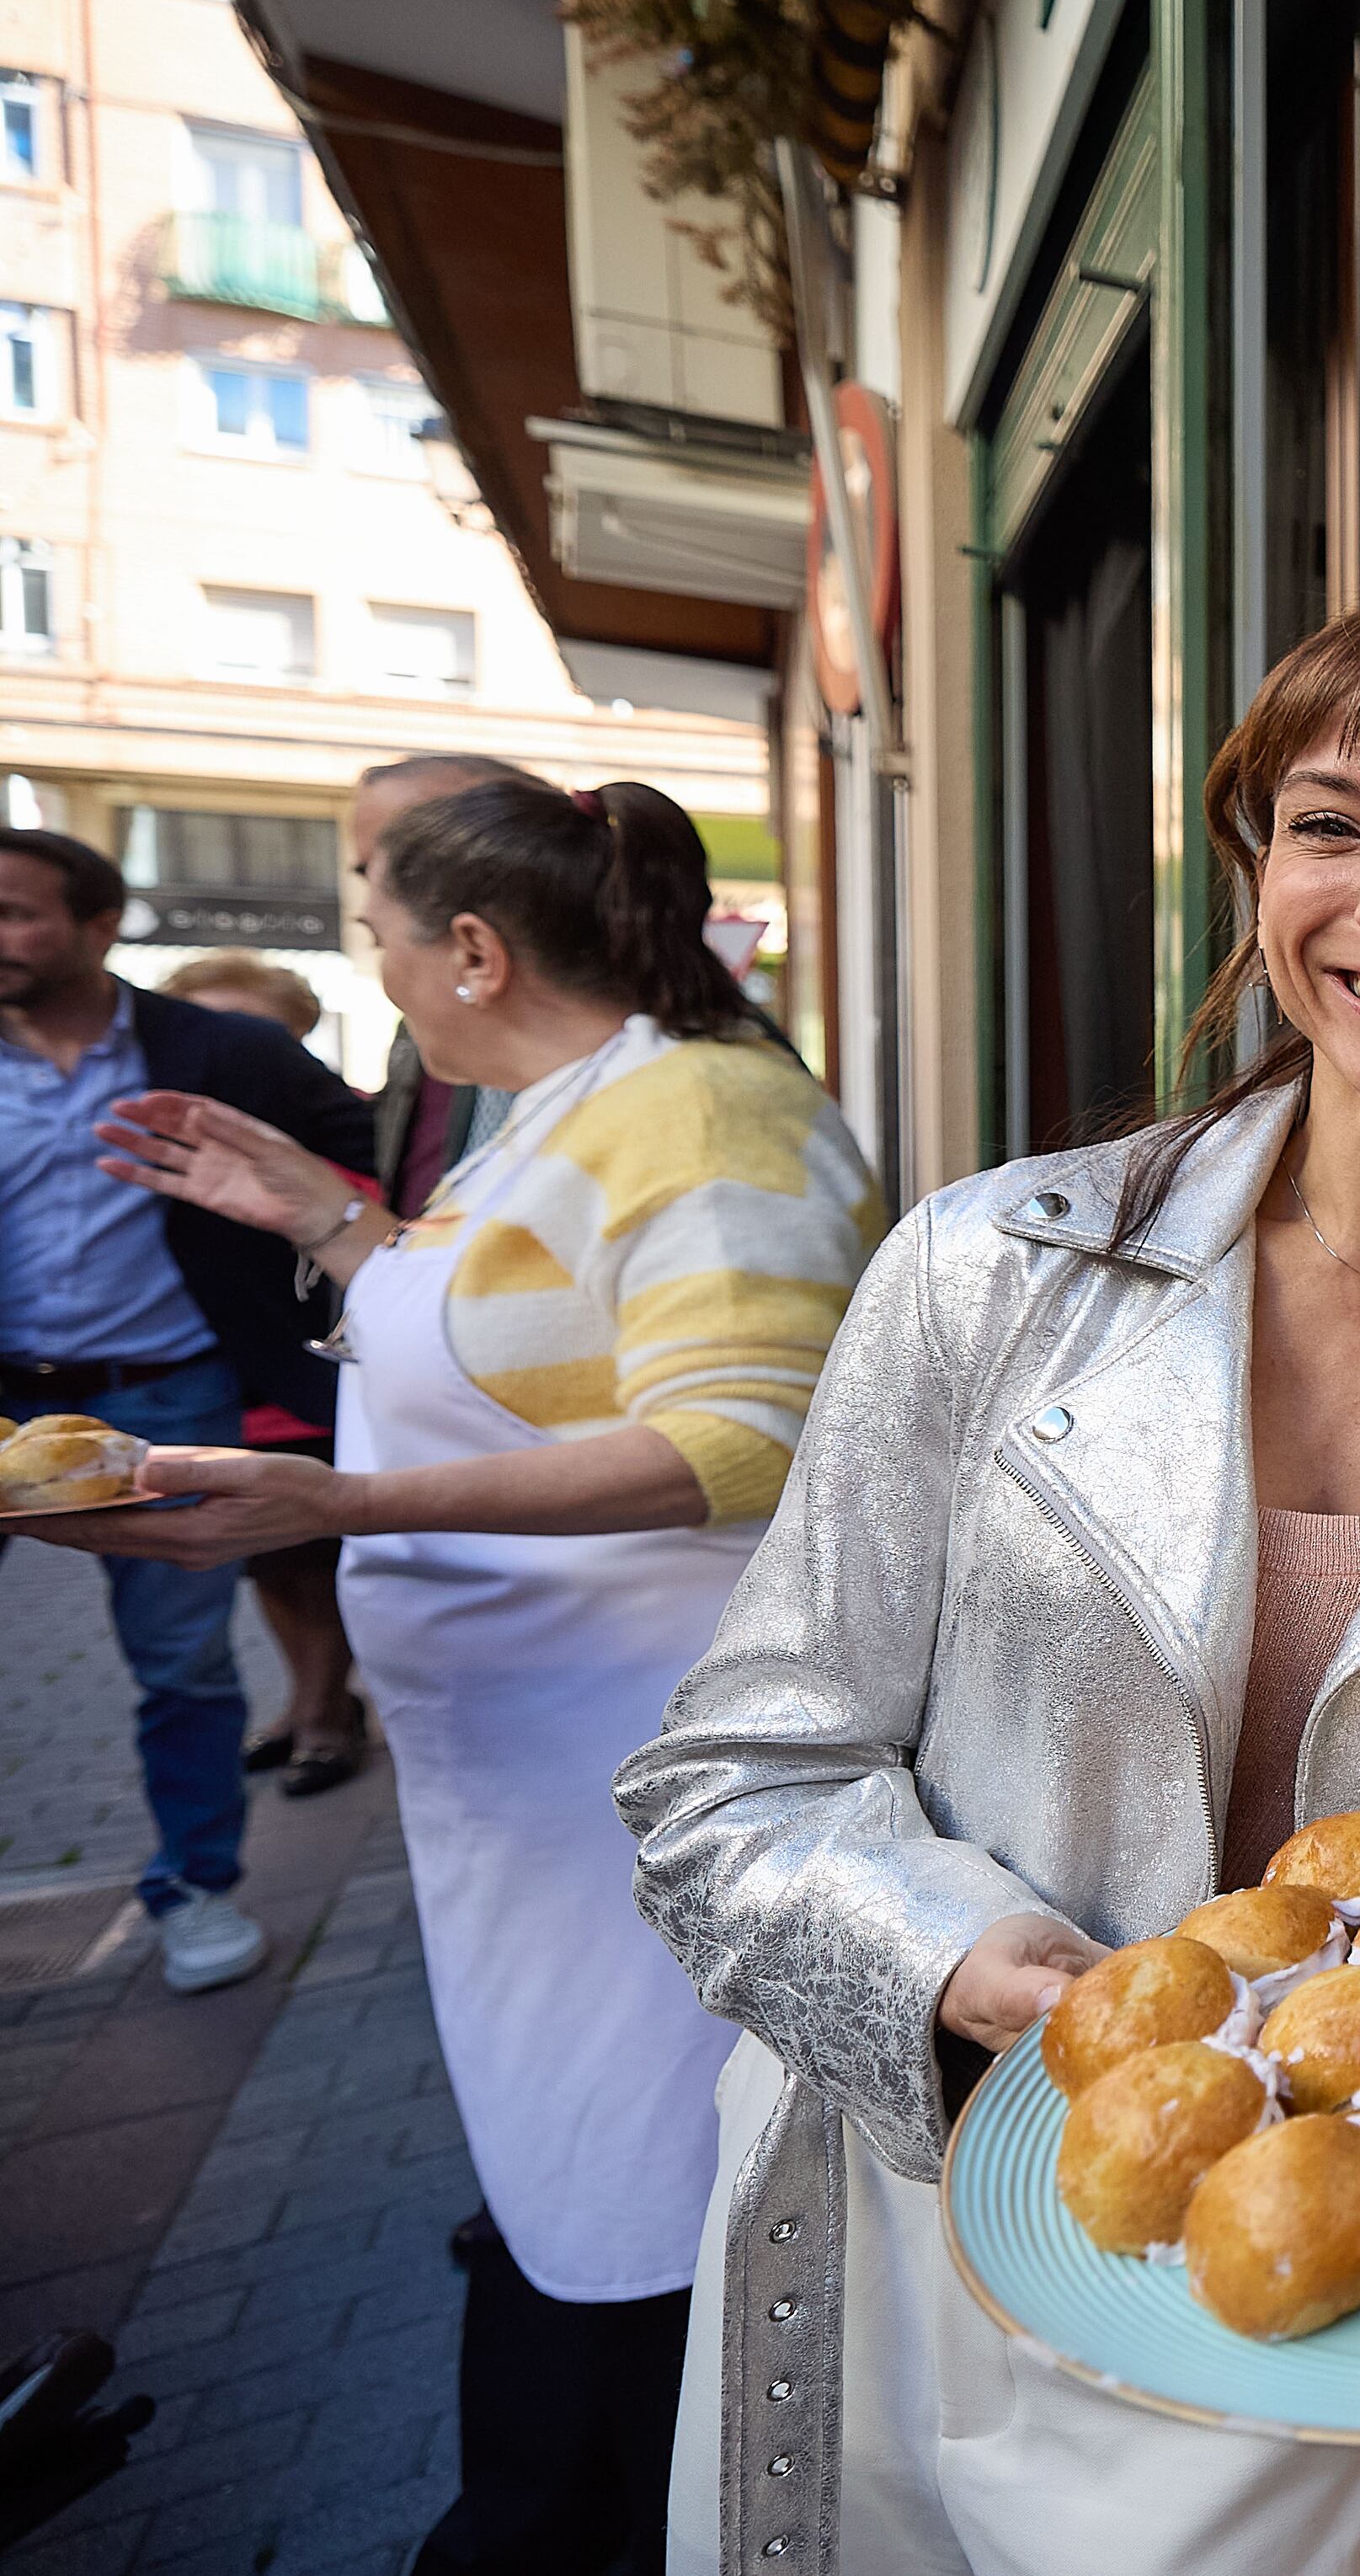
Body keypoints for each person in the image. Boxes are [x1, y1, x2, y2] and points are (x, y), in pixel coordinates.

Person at [616, 603, 1360, 2576]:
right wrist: (943, 1956)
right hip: (946, 2276)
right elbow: (725, 1786)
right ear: (1261, 885)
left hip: (1354, 2330)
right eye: (1332, 827)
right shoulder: (988, 1279)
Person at [40, 778, 880, 2573]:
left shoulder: (707, 1106)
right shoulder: (550, 1112)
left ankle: (624, 2510)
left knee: (649, 2184)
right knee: (574, 2172)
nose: (388, 971)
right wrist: (327, 1220)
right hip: (523, 1797)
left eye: (386, 935)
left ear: (479, 950)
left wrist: (342, 1496)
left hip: (653, 1784)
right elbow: (526, 1330)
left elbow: (747, 1438)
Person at [0, 830, 371, 1990]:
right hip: (9, 1394)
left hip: (167, 1395)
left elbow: (371, 1161)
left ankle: (195, 1889)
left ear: (101, 924)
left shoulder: (223, 1051)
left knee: (185, 1666)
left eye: (17, 913)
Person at [156, 949, 371, 1795]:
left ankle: (325, 1708)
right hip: (208, 1371)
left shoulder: (335, 1128)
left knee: (313, 1550)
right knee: (265, 1562)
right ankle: (308, 1697)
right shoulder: (151, 1137)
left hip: (301, 1367)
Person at [354, 753, 540, 1215]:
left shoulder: (637, 1065)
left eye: (415, 860)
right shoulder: (427, 1017)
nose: (379, 894)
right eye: (368, 868)